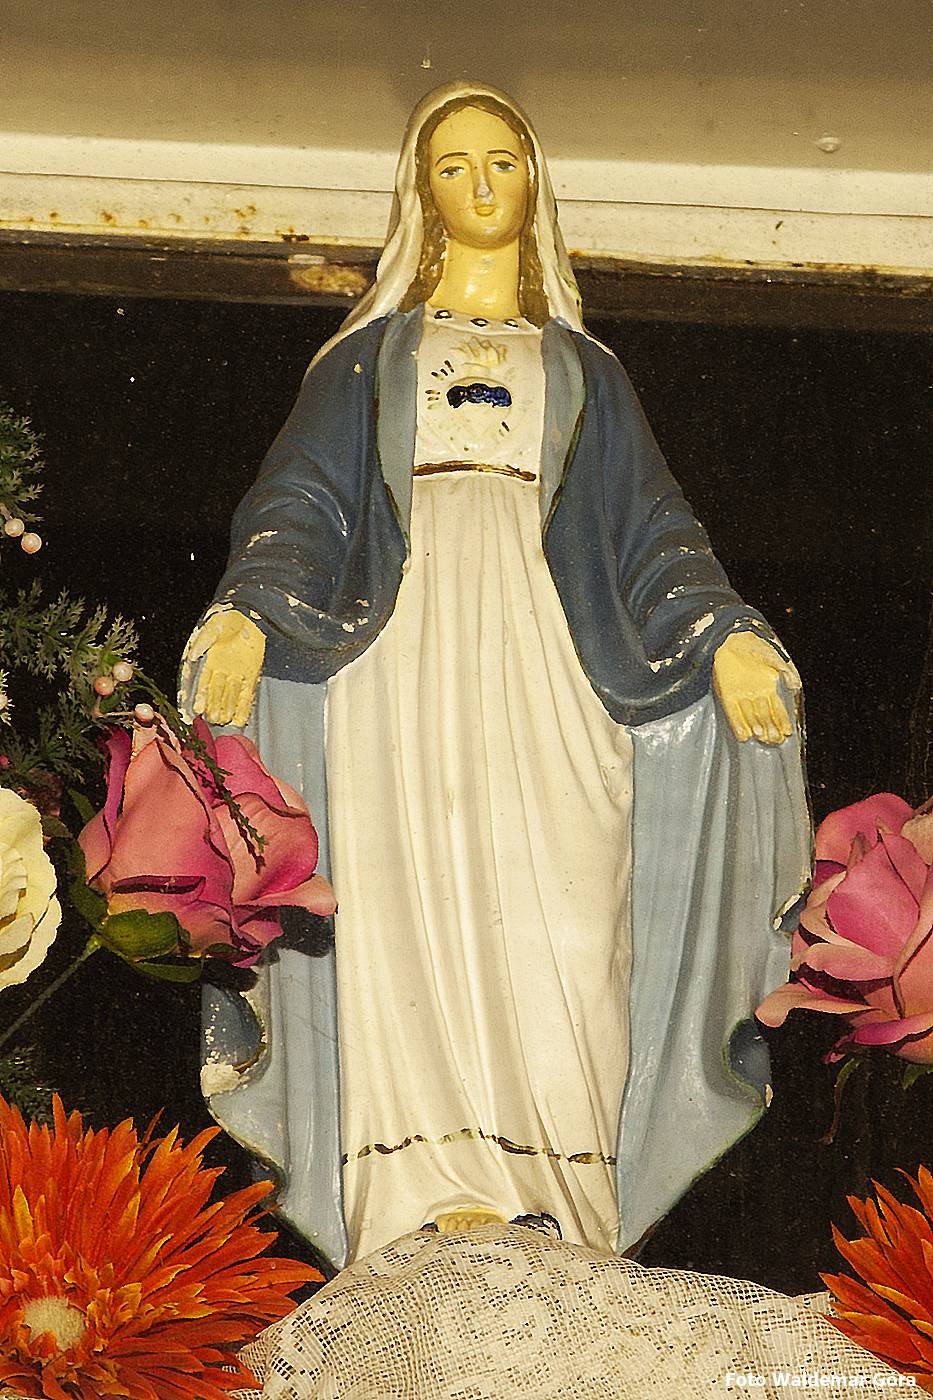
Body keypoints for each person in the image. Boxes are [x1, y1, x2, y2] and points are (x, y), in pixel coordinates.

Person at [182, 81, 810, 1270]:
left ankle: (557, 1187)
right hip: (400, 660)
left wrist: (721, 633)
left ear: (536, 185)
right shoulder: (366, 362)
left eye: (502, 162)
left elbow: (653, 532)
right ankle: (416, 1186)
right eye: (453, 165)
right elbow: (299, 506)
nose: (480, 185)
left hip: (552, 659)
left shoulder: (585, 372)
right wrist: (250, 613)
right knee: (400, 897)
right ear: (420, 195)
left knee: (570, 912)